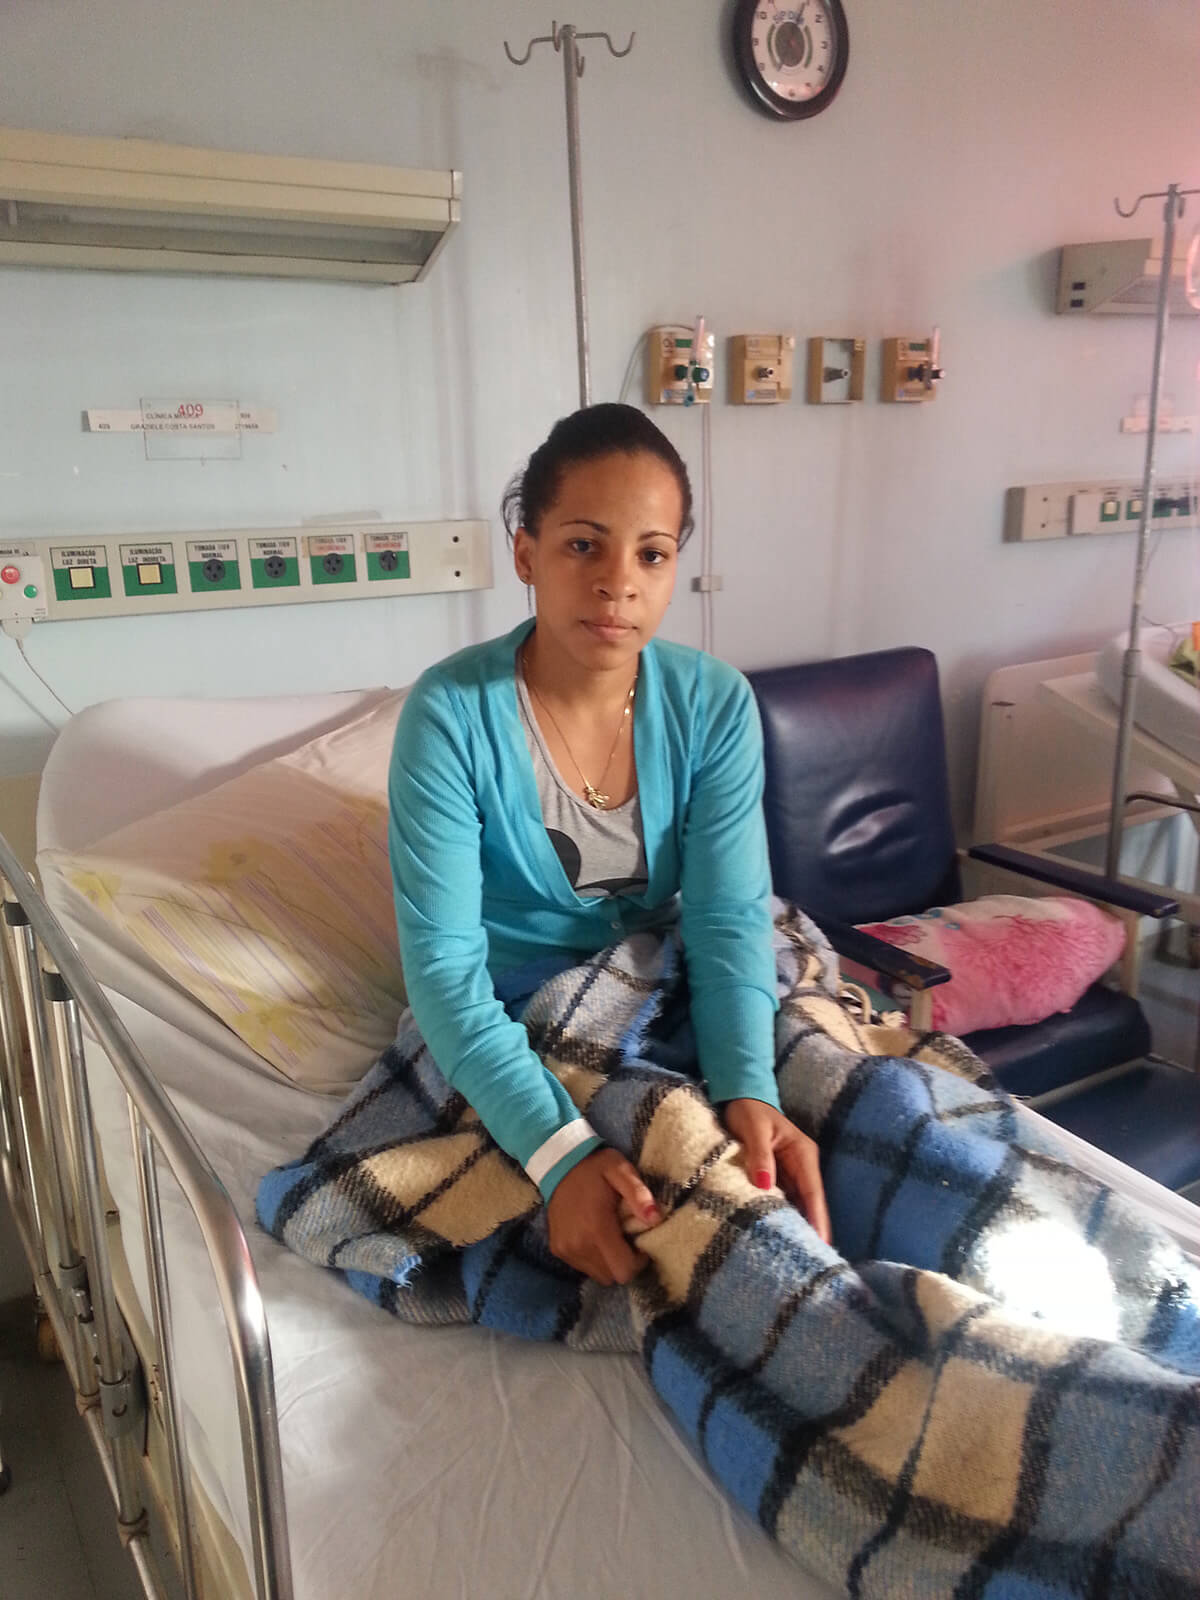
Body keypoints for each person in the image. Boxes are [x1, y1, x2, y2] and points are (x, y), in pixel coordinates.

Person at [388, 403, 830, 1289]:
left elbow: (727, 918)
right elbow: (444, 975)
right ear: (526, 554)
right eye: (584, 545)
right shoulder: (450, 717)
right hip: (524, 1010)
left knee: (833, 1102)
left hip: (677, 974)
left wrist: (751, 1088)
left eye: (651, 554)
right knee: (675, 1174)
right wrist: (559, 1156)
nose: (618, 584)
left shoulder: (713, 705)